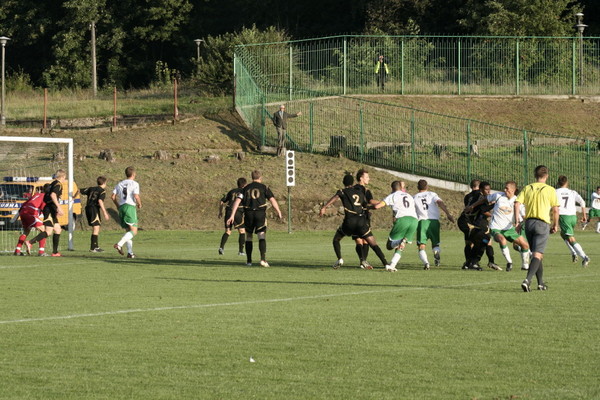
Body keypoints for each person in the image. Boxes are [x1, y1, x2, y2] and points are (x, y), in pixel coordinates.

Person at [320, 173, 391, 271]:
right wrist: (374, 207)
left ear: (343, 182)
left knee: (336, 239)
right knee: (373, 244)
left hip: (349, 222)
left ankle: (340, 259)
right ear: (353, 182)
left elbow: (335, 197)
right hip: (361, 221)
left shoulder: (342, 191)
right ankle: (386, 264)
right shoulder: (360, 192)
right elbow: (365, 205)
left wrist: (324, 207)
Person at [515, 165, 560, 292]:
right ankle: (527, 280)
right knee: (537, 254)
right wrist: (555, 224)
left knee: (537, 254)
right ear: (547, 176)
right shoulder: (550, 190)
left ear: (535, 175)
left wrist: (517, 222)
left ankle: (540, 283)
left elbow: (517, 203)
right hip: (542, 224)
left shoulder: (528, 187)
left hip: (529, 223)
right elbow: (556, 210)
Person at [471, 181, 531, 272]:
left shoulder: (517, 201)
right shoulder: (498, 195)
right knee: (502, 240)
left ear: (513, 190)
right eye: (504, 188)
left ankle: (525, 266)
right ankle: (509, 262)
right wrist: (472, 206)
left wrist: (524, 222)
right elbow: (485, 199)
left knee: (525, 245)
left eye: (507, 188)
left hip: (509, 229)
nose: (504, 190)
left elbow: (524, 216)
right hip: (496, 227)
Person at [227, 170, 282, 267]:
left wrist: (232, 215)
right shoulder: (264, 187)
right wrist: (278, 211)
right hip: (260, 213)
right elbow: (272, 200)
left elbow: (237, 201)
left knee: (249, 236)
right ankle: (263, 260)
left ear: (252, 177)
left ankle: (249, 261)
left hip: (248, 214)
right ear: (260, 177)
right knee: (261, 235)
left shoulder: (245, 188)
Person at [371, 180, 418, 272]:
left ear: (392, 188)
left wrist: (368, 207)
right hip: (414, 220)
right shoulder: (409, 196)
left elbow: (377, 206)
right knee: (401, 246)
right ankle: (392, 265)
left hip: (403, 220)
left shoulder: (393, 195)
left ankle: (400, 241)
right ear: (401, 187)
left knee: (389, 245)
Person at [413, 179, 455, 270]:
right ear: (427, 186)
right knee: (435, 244)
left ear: (417, 187)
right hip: (434, 222)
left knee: (421, 245)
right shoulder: (432, 194)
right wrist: (448, 214)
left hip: (422, 222)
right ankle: (436, 252)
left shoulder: (414, 197)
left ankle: (426, 263)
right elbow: (440, 202)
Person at [25, 169, 67, 257]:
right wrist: (59, 207)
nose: (65, 179)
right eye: (65, 177)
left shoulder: (52, 183)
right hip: (49, 209)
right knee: (48, 231)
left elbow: (46, 197)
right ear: (62, 176)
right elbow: (53, 195)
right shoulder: (58, 184)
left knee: (58, 229)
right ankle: (30, 242)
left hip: (50, 208)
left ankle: (55, 252)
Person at [555, 176, 589, 267]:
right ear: (567, 183)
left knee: (570, 238)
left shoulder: (555, 192)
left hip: (564, 217)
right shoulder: (572, 192)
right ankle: (573, 252)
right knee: (563, 234)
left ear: (558, 183)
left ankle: (584, 257)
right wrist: (584, 216)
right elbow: (582, 202)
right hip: (573, 217)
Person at [112, 166, 142, 259]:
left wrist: (117, 206)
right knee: (134, 231)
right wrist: (139, 204)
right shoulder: (135, 183)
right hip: (130, 207)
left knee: (128, 231)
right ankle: (119, 244)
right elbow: (136, 195)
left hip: (122, 207)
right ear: (133, 174)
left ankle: (130, 253)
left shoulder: (119, 184)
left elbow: (112, 196)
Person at [353, 169, 378, 269]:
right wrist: (383, 202)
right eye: (367, 177)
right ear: (361, 178)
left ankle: (362, 261)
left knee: (360, 240)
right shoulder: (364, 190)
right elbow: (371, 201)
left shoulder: (352, 189)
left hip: (355, 217)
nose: (369, 179)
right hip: (362, 217)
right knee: (364, 240)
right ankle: (363, 262)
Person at [14, 184, 48, 256]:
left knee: (26, 231)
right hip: (31, 213)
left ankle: (17, 250)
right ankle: (41, 252)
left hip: (23, 212)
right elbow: (43, 208)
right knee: (44, 231)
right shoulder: (45, 197)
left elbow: (25, 203)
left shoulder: (36, 195)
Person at [81, 176, 111, 252]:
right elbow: (100, 201)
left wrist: (73, 196)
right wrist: (105, 212)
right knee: (96, 227)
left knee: (95, 227)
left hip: (88, 208)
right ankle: (93, 247)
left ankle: (95, 246)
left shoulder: (91, 188)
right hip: (94, 209)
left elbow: (80, 190)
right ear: (104, 183)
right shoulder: (102, 191)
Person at [218, 177, 247, 256]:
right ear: (245, 184)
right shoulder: (244, 192)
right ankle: (241, 251)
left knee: (228, 231)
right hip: (237, 211)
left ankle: (221, 248)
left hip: (228, 211)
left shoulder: (232, 191)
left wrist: (220, 212)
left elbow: (222, 201)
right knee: (242, 231)